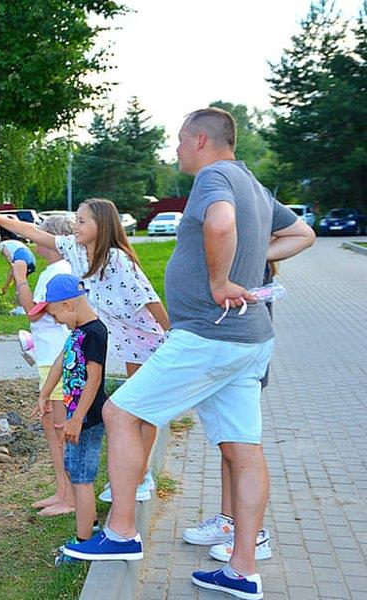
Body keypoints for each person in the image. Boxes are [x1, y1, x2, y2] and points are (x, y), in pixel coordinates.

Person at [61, 108, 314, 600]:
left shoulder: (214, 177)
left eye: (179, 141)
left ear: (201, 139)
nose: (175, 150)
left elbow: (219, 222)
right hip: (250, 339)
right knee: (244, 448)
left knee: (119, 412)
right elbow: (302, 233)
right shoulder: (255, 185)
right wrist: (253, 256)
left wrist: (220, 280)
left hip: (206, 334)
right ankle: (242, 571)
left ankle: (121, 534)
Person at [0, 198, 170, 500]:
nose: (76, 225)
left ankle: (140, 477)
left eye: (83, 221)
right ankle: (136, 474)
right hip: (126, 343)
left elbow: (149, 298)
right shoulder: (75, 250)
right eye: (76, 220)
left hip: (148, 339)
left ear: (102, 227)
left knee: (141, 410)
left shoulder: (117, 259)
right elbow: (32, 232)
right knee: (134, 408)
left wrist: (173, 335)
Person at [187, 260, 279, 563]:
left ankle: (254, 537)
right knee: (230, 447)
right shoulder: (236, 259)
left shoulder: (249, 264)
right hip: (230, 357)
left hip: (242, 357)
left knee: (243, 449)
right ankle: (229, 521)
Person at [28, 274, 109, 562]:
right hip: (77, 417)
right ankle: (92, 527)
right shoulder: (77, 331)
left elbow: (94, 378)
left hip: (86, 420)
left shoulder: (95, 333)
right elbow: (62, 362)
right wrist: (44, 394)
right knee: (74, 470)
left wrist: (77, 419)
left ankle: (83, 543)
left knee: (82, 478)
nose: (58, 321)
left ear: (68, 305)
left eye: (56, 315)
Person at [8, 215, 76, 515]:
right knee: (52, 429)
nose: (36, 240)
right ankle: (63, 491)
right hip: (51, 359)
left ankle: (70, 498)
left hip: (55, 361)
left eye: (41, 235)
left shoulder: (55, 273)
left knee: (58, 430)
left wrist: (21, 275)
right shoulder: (61, 269)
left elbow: (33, 312)